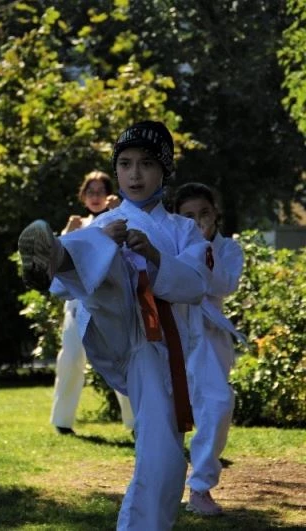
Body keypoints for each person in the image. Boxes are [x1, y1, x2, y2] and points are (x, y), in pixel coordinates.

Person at [18, 120, 211, 530]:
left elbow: (195, 285)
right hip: (119, 334)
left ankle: (62, 256)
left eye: (145, 164)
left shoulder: (183, 230)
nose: (134, 174)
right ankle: (56, 255)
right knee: (104, 246)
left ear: (164, 172)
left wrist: (157, 256)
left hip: (160, 348)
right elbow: (60, 292)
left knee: (162, 460)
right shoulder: (105, 221)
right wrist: (105, 239)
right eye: (124, 164)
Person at [174, 182, 244, 516]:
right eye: (188, 216)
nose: (198, 220)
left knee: (217, 405)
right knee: (167, 412)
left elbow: (224, 284)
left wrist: (202, 250)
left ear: (216, 214)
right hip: (171, 328)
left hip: (209, 335)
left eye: (204, 213)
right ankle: (162, 482)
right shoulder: (170, 243)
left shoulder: (228, 249)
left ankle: (200, 487)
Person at [50, 171, 134, 435]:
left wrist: (122, 212)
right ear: (83, 196)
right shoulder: (77, 225)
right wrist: (66, 232)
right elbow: (57, 265)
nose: (96, 196)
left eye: (100, 191)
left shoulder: (120, 218)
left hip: (110, 304)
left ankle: (137, 422)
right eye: (91, 192)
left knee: (123, 361)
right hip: (78, 305)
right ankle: (62, 421)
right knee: (72, 359)